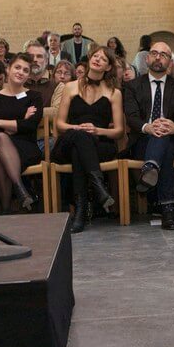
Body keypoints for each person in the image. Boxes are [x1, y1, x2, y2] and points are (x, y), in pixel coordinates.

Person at [52, 45, 124, 232]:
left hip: (100, 144)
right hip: (69, 139)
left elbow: (119, 131)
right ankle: (98, 187)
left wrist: (97, 130)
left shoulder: (114, 93)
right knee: (79, 139)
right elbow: (59, 124)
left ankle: (81, 210)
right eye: (95, 56)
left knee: (80, 150)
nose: (97, 59)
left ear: (108, 67)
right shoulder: (70, 87)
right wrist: (77, 128)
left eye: (103, 59)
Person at [123, 42, 174, 230]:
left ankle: (151, 167)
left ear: (170, 62)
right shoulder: (132, 86)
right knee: (165, 149)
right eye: (154, 53)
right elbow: (131, 118)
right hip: (142, 141)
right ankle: (168, 211)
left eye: (163, 55)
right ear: (147, 59)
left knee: (165, 139)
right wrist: (148, 127)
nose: (158, 57)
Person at [0, 53, 44, 213]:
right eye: (17, 67)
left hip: (27, 147)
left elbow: (30, 126)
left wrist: (0, 123)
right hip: (1, 144)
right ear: (8, 69)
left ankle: (6, 208)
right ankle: (21, 191)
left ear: (28, 75)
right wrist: (20, 121)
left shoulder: (34, 96)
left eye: (25, 70)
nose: (21, 72)